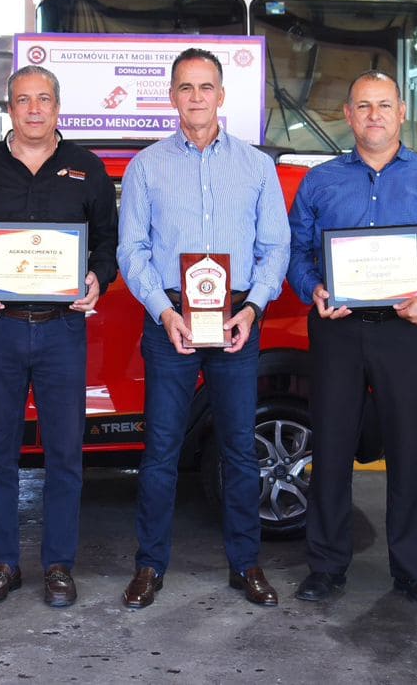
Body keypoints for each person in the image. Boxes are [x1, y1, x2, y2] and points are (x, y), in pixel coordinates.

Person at [286, 71, 417, 610]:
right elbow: (296, 253)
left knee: (411, 453)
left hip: (407, 333)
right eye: (363, 105)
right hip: (337, 331)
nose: (374, 115)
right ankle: (325, 567)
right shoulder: (319, 181)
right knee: (330, 448)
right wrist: (313, 288)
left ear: (400, 113)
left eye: (384, 105)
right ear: (347, 115)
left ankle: (414, 573)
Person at [116, 48, 290, 609]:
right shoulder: (146, 166)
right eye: (186, 87)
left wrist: (254, 308)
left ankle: (247, 565)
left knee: (240, 449)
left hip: (238, 320)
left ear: (221, 95)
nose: (196, 97)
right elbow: (132, 250)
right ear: (172, 96)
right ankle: (149, 566)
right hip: (170, 320)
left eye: (206, 86)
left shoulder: (257, 166)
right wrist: (163, 313)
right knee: (162, 449)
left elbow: (275, 248)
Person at [0, 65, 117, 608]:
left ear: (58, 107)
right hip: (1, 330)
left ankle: (59, 566)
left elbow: (108, 244)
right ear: (9, 109)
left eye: (43, 99)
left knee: (65, 454)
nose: (34, 109)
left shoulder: (87, 169)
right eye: (23, 100)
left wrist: (97, 278)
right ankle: (4, 564)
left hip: (63, 330)